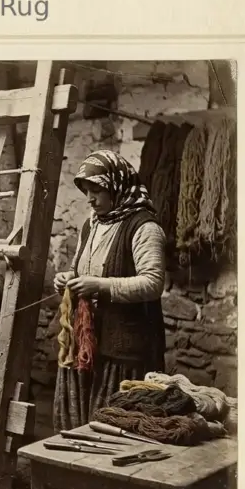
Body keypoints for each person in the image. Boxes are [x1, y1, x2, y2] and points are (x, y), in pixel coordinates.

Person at [52, 150, 167, 431]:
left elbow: (153, 283)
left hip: (124, 349)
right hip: (88, 341)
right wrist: (69, 278)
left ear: (117, 186)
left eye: (97, 191)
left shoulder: (144, 227)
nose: (90, 199)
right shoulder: (92, 224)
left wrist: (99, 286)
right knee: (79, 425)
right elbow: (80, 268)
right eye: (86, 191)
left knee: (113, 424)